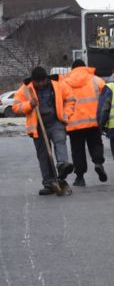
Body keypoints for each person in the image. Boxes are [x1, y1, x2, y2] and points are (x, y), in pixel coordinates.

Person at [12, 67, 76, 196]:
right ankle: (49, 183)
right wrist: (29, 104)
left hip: (55, 121)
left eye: (43, 81)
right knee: (43, 155)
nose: (41, 84)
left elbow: (70, 100)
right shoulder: (26, 89)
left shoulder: (58, 85)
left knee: (60, 141)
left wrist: (65, 115)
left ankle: (62, 165)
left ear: (46, 78)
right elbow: (16, 107)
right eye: (38, 82)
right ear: (33, 81)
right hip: (38, 126)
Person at [62, 59, 108, 187]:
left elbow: (60, 102)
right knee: (96, 144)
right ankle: (98, 163)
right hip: (93, 121)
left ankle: (80, 177)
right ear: (85, 67)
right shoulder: (96, 80)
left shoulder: (65, 82)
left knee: (78, 150)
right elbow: (107, 98)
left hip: (73, 123)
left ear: (72, 69)